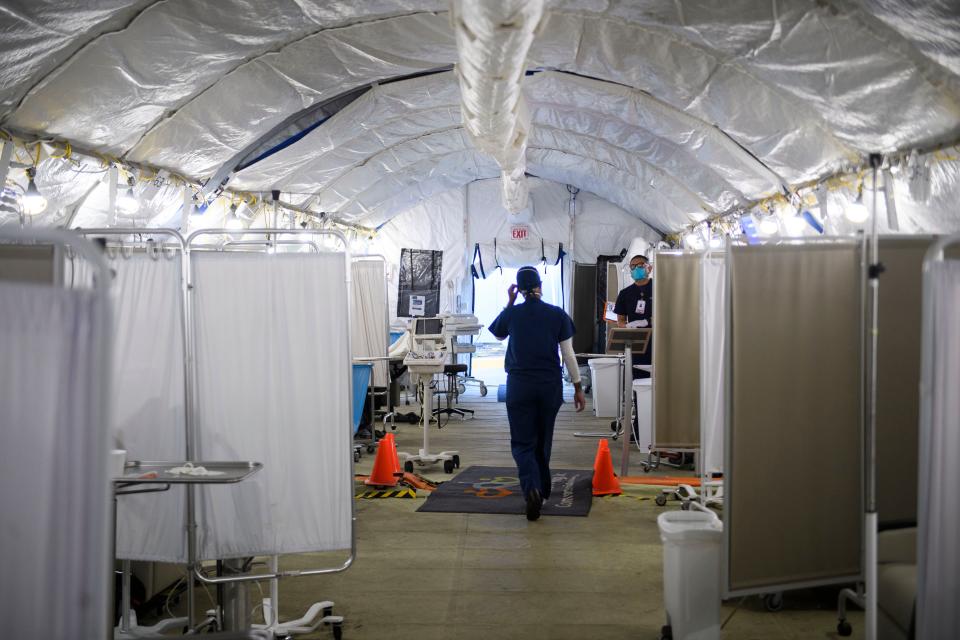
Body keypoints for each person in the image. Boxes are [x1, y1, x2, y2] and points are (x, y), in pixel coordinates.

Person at [489, 266, 586, 521]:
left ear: (518, 289)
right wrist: (577, 387)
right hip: (549, 385)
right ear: (540, 286)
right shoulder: (557, 314)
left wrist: (509, 302)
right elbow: (568, 355)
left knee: (523, 442)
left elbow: (498, 334)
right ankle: (542, 491)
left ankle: (531, 487)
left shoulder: (513, 314)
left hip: (519, 385)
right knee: (543, 441)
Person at [613, 254, 654, 380]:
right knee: (638, 380)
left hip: (658, 342)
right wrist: (627, 326)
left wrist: (647, 321)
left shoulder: (660, 288)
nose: (636, 268)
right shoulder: (625, 294)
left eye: (640, 265)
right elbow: (620, 321)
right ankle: (637, 400)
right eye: (633, 266)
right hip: (637, 343)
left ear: (649, 268)